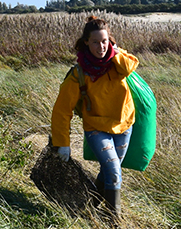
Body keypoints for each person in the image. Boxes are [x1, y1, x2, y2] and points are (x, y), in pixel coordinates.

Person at [50, 16, 139, 217]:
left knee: (107, 171)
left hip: (124, 125)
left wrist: (115, 52)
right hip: (96, 128)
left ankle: (87, 209)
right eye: (96, 42)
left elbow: (129, 68)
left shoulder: (118, 61)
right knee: (114, 171)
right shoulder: (78, 74)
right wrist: (62, 143)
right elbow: (62, 110)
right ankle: (113, 221)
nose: (101, 47)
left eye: (105, 41)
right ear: (85, 43)